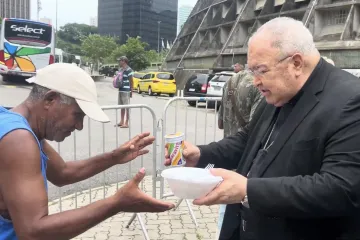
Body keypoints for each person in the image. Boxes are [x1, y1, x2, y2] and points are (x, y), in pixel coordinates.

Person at [165, 17, 360, 240]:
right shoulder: (280, 92)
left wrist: (248, 191)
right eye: (252, 71)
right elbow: (247, 140)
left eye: (261, 70)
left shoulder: (351, 100)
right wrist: (201, 154)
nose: (255, 81)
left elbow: (341, 188)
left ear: (296, 63)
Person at [0, 63, 174, 240]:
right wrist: (117, 203)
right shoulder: (18, 139)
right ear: (50, 100)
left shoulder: (16, 124)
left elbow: (63, 173)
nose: (80, 126)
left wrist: (114, 157)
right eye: (77, 115)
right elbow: (33, 232)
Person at [216, 66, 263, 238]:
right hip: (248, 161)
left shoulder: (230, 81)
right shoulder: (259, 84)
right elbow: (258, 130)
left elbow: (220, 122)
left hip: (228, 155)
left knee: (225, 212)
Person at [116, 56, 133, 128]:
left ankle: (126, 122)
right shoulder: (120, 69)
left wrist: (131, 90)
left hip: (126, 91)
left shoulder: (129, 70)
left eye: (120, 61)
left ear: (124, 61)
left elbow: (131, 81)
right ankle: (121, 121)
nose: (119, 62)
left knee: (127, 107)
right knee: (122, 106)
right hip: (120, 89)